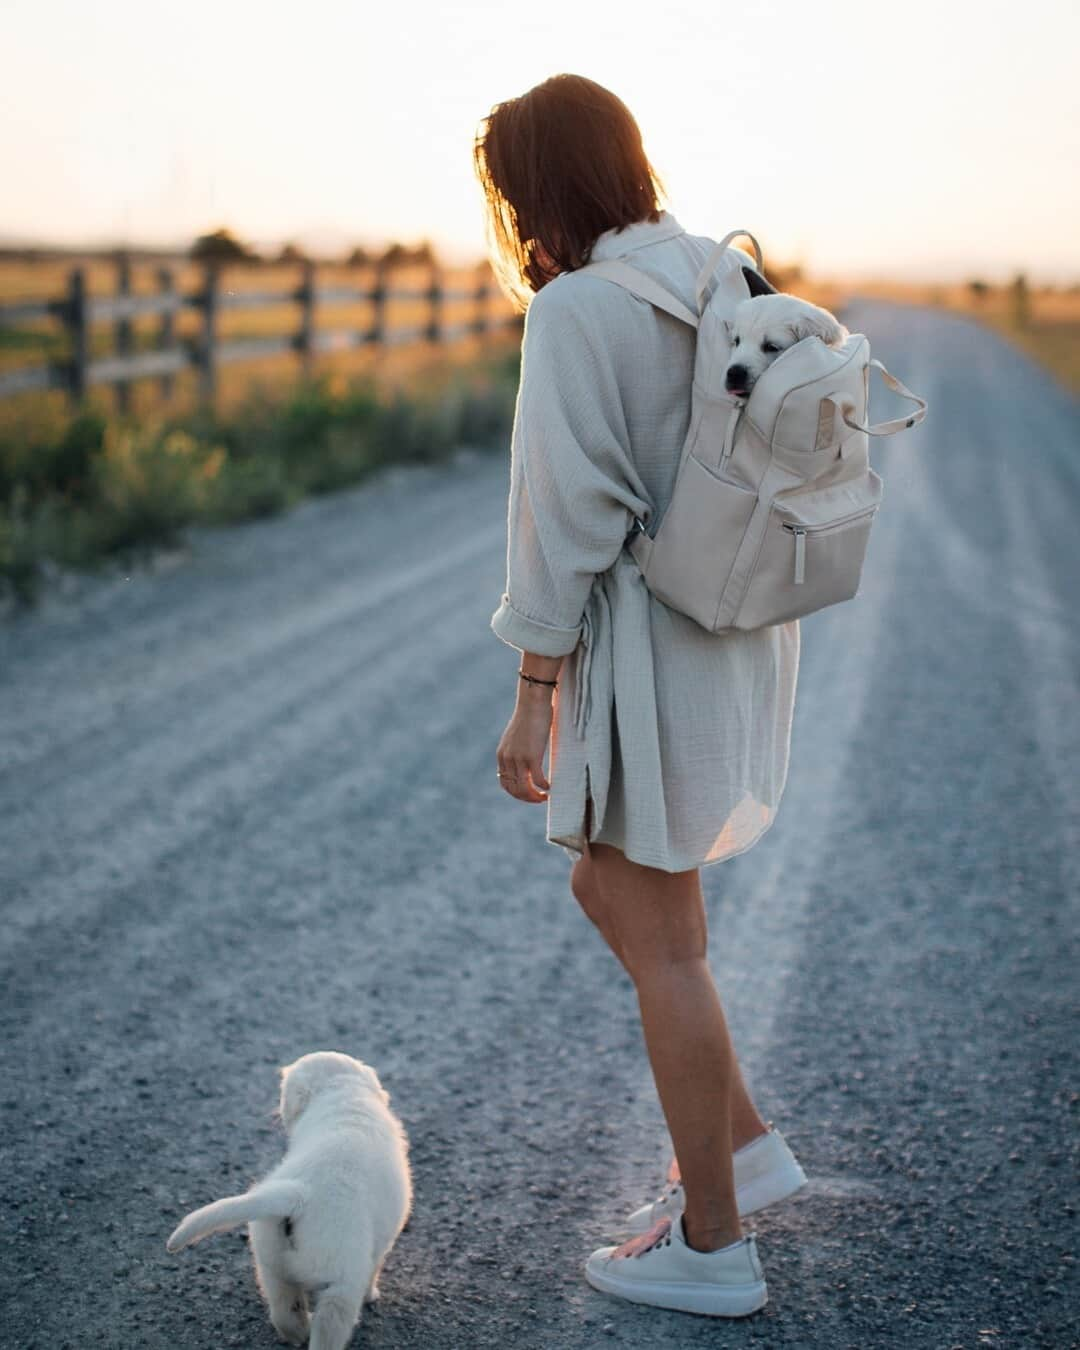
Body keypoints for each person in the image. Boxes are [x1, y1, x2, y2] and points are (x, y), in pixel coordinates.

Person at [474, 73, 807, 1319]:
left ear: (534, 191)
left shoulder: (574, 311)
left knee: (667, 943)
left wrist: (531, 695)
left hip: (648, 645)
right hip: (734, 624)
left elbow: (560, 522)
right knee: (606, 884)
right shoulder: (719, 269)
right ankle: (752, 1150)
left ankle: (714, 1250)